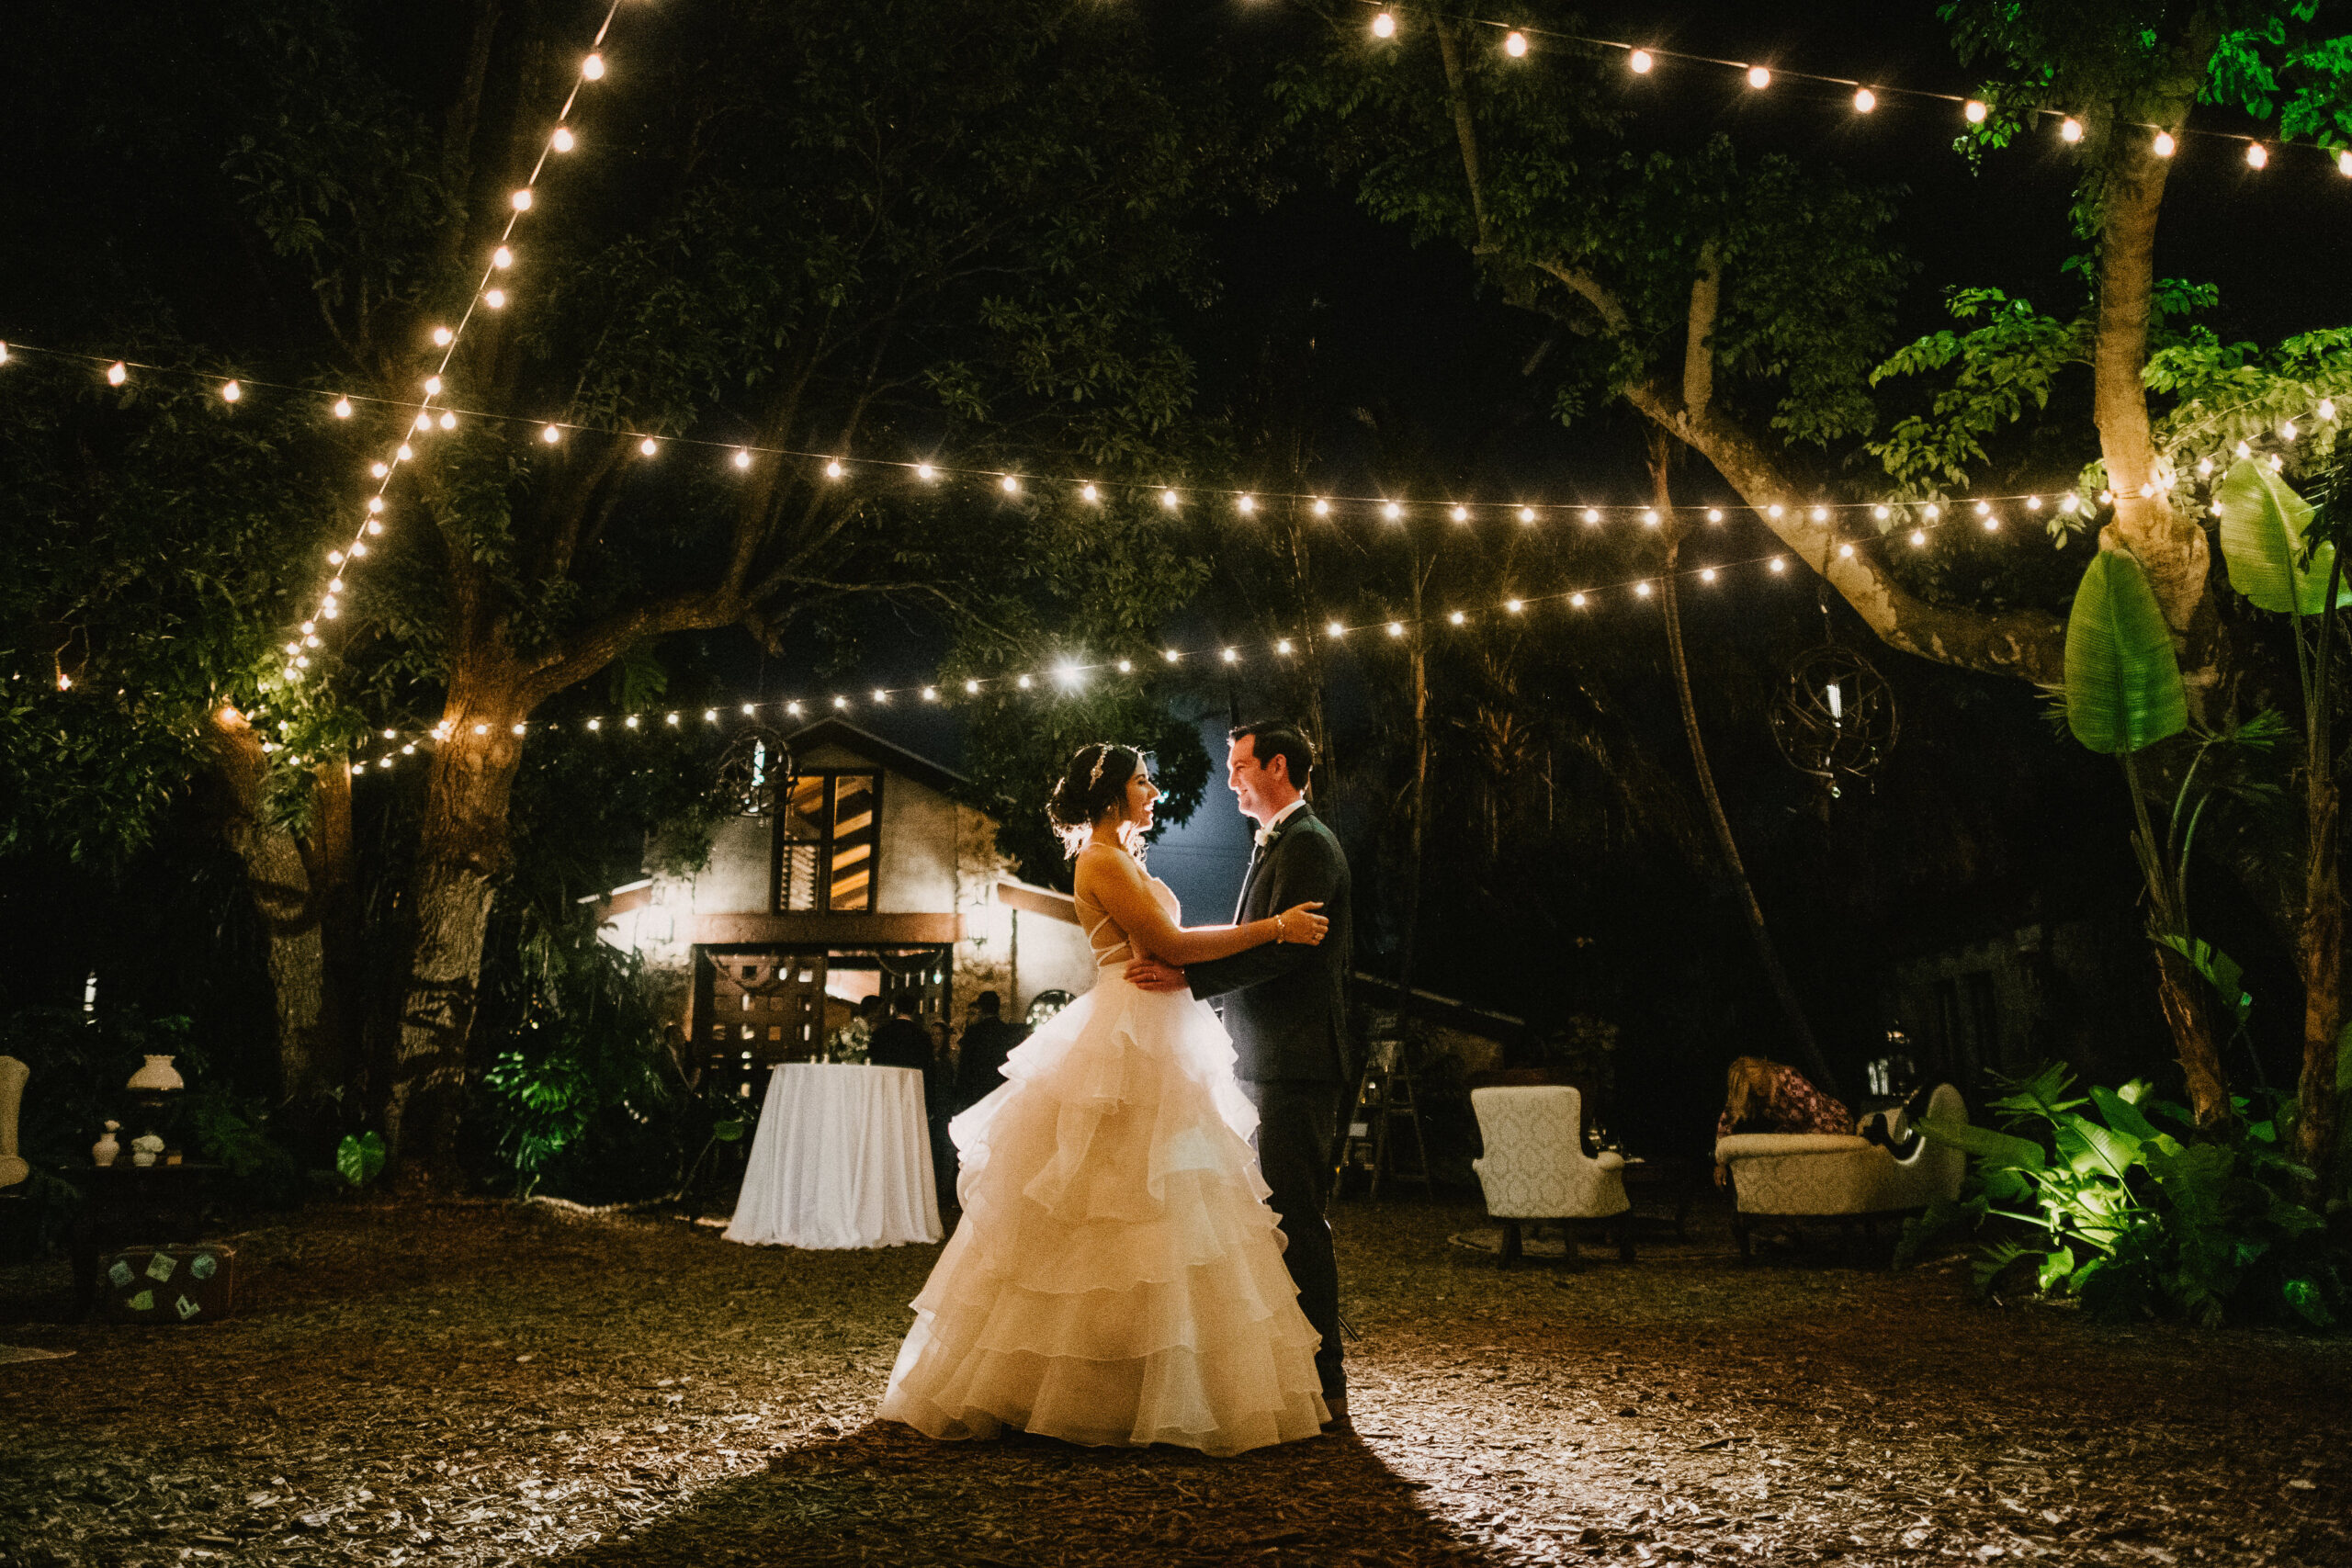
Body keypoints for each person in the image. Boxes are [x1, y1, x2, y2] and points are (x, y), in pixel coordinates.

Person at [880, 743, 1334, 1456]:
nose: (1153, 792)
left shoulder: (1124, 858)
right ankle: (1079, 1383)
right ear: (1109, 794)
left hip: (1160, 1027)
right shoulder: (1099, 859)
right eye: (1142, 781)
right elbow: (1169, 944)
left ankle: (1151, 1374)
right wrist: (1275, 927)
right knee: (1108, 1199)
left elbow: (1171, 949)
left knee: (1166, 1202)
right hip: (1125, 1034)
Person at [1125, 720, 1356, 1430]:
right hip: (1267, 1059)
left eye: (1239, 766)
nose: (1229, 780)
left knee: (1296, 1216)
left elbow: (1287, 954)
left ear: (1278, 767)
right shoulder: (1278, 843)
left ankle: (1327, 1382)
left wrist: (1186, 980)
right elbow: (1262, 938)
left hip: (1298, 1063)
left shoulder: (1310, 845)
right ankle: (1289, 1375)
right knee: (1272, 1215)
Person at [1713, 1055, 1854, 1187]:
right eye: (1755, 1092)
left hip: (1833, 1121)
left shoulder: (1789, 1080)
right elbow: (1726, 1122)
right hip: (1797, 1130)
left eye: (1761, 1088)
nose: (1760, 1094)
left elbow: (1820, 1116)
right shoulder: (1749, 1092)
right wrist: (1721, 1163)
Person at [952, 991, 1026, 1114]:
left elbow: (965, 1066)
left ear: (980, 1008)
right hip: (1001, 1092)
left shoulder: (973, 1032)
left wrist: (960, 1095)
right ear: (998, 1008)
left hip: (977, 1094)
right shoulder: (1009, 1033)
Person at [867, 999, 932, 1073]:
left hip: (886, 1080)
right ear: (914, 1011)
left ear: (895, 1010)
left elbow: (873, 1061)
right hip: (912, 1082)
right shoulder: (923, 1036)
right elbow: (928, 1067)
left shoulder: (881, 1033)